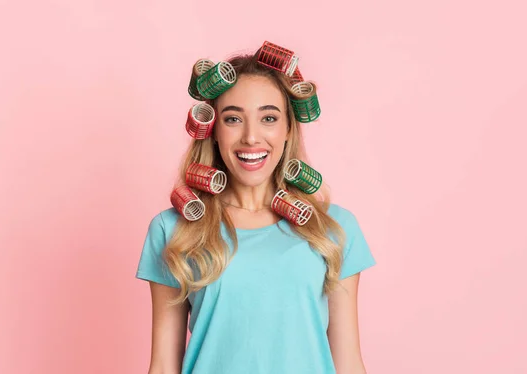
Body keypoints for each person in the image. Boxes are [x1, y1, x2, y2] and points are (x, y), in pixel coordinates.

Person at [136, 49, 376, 374]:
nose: (251, 137)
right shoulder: (174, 229)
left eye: (269, 118)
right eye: (233, 119)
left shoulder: (334, 229)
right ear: (214, 131)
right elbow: (163, 366)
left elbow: (348, 363)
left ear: (289, 128)